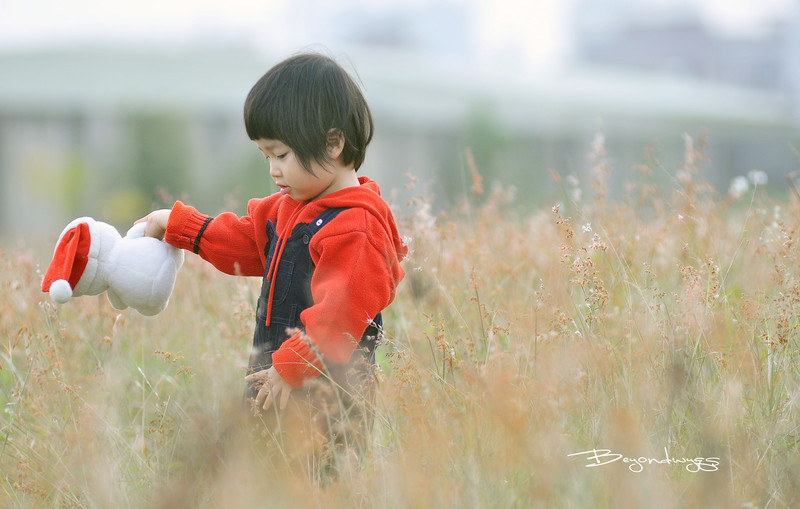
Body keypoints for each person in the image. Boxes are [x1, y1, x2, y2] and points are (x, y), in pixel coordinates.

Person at [137, 52, 407, 456]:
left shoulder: (356, 227)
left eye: (280, 155)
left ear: (333, 143)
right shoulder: (292, 208)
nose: (273, 170)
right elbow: (245, 240)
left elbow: (340, 316)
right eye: (266, 157)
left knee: (313, 485)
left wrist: (291, 366)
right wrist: (177, 224)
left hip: (325, 402)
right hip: (274, 382)